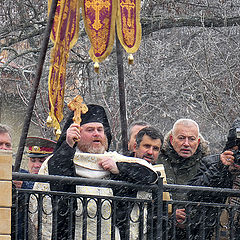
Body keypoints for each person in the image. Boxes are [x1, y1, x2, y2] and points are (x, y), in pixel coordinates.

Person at [29, 104, 158, 240]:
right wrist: (67, 146)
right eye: (90, 130)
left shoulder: (115, 159)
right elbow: (58, 179)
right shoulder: (61, 159)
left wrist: (119, 168)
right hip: (72, 234)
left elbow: (150, 175)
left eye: (100, 130)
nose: (96, 134)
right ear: (77, 134)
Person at [187, 118, 240, 239]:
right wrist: (220, 168)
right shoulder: (212, 163)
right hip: (210, 231)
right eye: (235, 152)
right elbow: (193, 193)